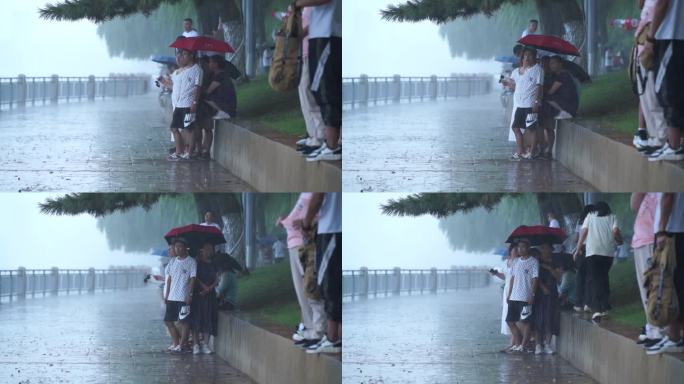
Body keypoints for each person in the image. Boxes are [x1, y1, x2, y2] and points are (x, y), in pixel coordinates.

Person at [277, 193, 326, 346]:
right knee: (301, 291)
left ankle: (319, 330)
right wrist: (287, 219)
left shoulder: (318, 191)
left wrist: (305, 222)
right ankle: (310, 329)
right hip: (292, 245)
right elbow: (300, 212)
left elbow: (321, 214)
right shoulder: (305, 193)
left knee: (310, 287)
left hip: (305, 243)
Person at [296, 0, 342, 162]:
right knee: (318, 90)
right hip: (319, 35)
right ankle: (330, 143)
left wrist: (297, 3)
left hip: (328, 34)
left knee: (326, 90)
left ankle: (332, 146)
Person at [299, 192, 342, 354]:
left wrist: (306, 223)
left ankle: (333, 339)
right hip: (336, 228)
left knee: (329, 284)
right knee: (334, 284)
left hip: (332, 229)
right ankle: (335, 337)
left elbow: (318, 197)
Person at [645, 193, 684, 354]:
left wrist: (661, 230)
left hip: (670, 231)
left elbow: (668, 195)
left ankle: (674, 336)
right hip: (675, 229)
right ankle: (674, 335)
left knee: (668, 283)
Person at [646, 0, 684, 161]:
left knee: (669, 91)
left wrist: (650, 37)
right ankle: (676, 144)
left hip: (671, 35)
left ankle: (674, 145)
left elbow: (661, 3)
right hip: (677, 36)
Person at [574, 202, 622, 321]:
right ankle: (605, 306)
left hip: (592, 252)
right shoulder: (612, 217)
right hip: (607, 253)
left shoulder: (590, 216)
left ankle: (596, 310)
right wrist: (620, 241)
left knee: (595, 280)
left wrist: (578, 249)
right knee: (603, 277)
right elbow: (615, 232)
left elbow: (583, 232)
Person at [632, 0, 669, 154]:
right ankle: (656, 138)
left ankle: (661, 140)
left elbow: (661, 4)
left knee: (654, 96)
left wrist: (650, 39)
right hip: (645, 43)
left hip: (653, 42)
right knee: (647, 96)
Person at [630, 193, 665, 347]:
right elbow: (634, 205)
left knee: (653, 287)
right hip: (641, 240)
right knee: (646, 289)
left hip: (652, 239)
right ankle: (652, 326)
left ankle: (659, 330)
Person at [158, 48, 203, 160]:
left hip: (188, 104)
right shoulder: (179, 71)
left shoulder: (197, 70)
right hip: (178, 105)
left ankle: (190, 152)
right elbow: (174, 87)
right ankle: (179, 151)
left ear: (191, 55)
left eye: (184, 54)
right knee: (174, 128)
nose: (181, 57)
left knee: (190, 128)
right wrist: (163, 82)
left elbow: (198, 88)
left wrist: (194, 102)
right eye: (180, 54)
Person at [296, 6, 327, 155]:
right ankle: (312, 134)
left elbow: (313, 25)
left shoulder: (314, 5)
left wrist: (297, 33)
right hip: (303, 53)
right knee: (303, 93)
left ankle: (320, 135)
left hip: (312, 51)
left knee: (308, 92)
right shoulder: (306, 7)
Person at [504, 47, 544, 160]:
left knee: (531, 129)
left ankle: (531, 152)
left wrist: (536, 101)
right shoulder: (516, 71)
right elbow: (514, 85)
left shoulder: (538, 70)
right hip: (519, 104)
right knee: (515, 127)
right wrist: (505, 82)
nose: (527, 57)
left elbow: (539, 86)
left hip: (530, 104)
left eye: (529, 55)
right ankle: (520, 151)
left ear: (534, 56)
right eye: (525, 55)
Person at [540, 56, 579, 158]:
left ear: (560, 64)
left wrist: (540, 89)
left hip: (568, 104)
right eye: (550, 63)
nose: (550, 65)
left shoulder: (562, 75)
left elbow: (550, 92)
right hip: (562, 102)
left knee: (548, 97)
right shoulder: (555, 75)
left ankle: (564, 111)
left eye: (553, 63)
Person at [163, 238, 197, 353]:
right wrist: (167, 295)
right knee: (168, 320)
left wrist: (190, 294)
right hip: (172, 297)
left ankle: (182, 345)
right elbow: (169, 279)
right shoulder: (172, 261)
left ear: (185, 248)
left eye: (179, 246)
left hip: (183, 297)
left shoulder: (191, 262)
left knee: (184, 321)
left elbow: (193, 279)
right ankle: (176, 343)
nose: (177, 249)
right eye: (175, 247)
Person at [506, 239, 539, 353]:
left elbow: (535, 279)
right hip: (514, 296)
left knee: (526, 322)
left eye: (523, 247)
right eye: (519, 247)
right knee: (510, 321)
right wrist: (509, 294)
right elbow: (512, 279)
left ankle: (524, 345)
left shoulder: (533, 262)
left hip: (525, 296)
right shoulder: (515, 262)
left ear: (528, 248)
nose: (520, 249)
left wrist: (532, 294)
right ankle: (518, 343)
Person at [190, 243, 218, 355]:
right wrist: (203, 287)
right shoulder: (196, 263)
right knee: (196, 319)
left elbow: (217, 278)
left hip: (210, 295)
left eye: (211, 249)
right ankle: (196, 344)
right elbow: (194, 277)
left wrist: (210, 288)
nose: (209, 251)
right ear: (202, 250)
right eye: (206, 249)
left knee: (209, 318)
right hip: (199, 295)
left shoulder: (214, 263)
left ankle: (205, 344)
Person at [533, 243, 561, 355]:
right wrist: (541, 286)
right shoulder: (536, 261)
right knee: (538, 318)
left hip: (552, 292)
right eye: (543, 248)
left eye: (547, 248)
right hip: (539, 293)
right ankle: (538, 345)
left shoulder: (556, 261)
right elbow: (534, 276)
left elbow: (559, 278)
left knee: (550, 317)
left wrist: (549, 268)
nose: (545, 250)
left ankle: (548, 344)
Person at [490, 243, 519, 352]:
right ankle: (511, 342)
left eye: (517, 250)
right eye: (514, 249)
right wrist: (496, 274)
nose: (516, 251)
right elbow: (505, 277)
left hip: (515, 289)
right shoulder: (507, 262)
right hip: (507, 289)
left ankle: (514, 343)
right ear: (510, 251)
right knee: (506, 314)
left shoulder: (518, 262)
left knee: (512, 317)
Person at [572, 204, 596, 313]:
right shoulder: (596, 221)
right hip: (592, 250)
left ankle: (578, 304)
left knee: (579, 277)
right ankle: (588, 303)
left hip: (581, 250)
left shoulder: (580, 221)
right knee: (590, 278)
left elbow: (575, 238)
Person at [203, 55, 237, 122]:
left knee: (204, 96)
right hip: (227, 102)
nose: (209, 64)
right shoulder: (217, 75)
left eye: (210, 62)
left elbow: (208, 91)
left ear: (216, 64)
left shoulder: (220, 76)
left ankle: (224, 112)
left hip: (228, 105)